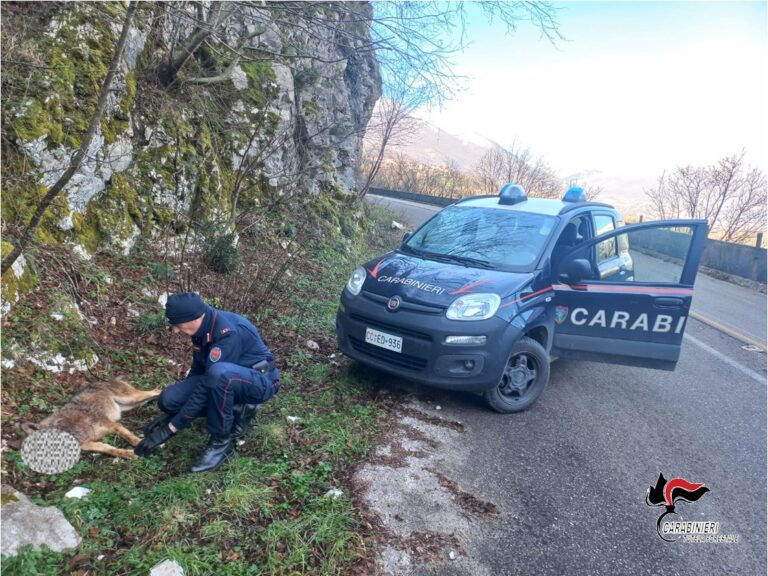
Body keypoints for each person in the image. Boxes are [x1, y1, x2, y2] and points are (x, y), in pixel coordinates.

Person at [135, 292, 280, 472]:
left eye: (177, 325)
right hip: (226, 379)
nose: (175, 330)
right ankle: (236, 407)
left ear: (193, 318)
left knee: (219, 376)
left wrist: (171, 429)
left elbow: (209, 383)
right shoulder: (202, 329)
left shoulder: (227, 332)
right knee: (169, 400)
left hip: (261, 381)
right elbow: (198, 370)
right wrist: (173, 413)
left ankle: (221, 441)